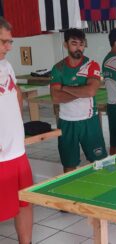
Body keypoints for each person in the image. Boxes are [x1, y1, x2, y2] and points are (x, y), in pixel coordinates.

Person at [50, 28, 107, 173]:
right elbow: (56, 97)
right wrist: (82, 90)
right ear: (65, 45)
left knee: (100, 163)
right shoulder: (58, 68)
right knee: (69, 166)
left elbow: (91, 91)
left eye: (81, 44)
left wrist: (64, 87)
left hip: (89, 121)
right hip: (66, 122)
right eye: (74, 43)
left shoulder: (92, 65)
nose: (78, 47)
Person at [0, 17, 33, 243]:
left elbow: (17, 92)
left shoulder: (6, 65)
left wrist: (16, 129)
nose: (9, 47)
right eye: (3, 42)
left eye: (10, 42)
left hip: (17, 153)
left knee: (25, 202)